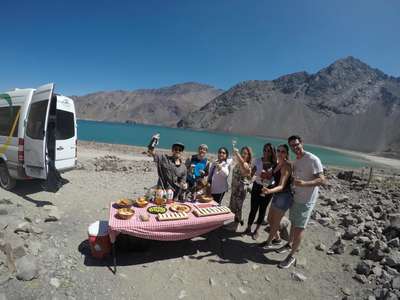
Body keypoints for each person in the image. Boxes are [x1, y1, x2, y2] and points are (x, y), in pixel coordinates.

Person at [277, 135, 326, 269]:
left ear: (301, 143)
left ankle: (292, 256)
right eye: (292, 146)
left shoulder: (313, 159)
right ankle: (289, 244)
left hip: (306, 201)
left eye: (296, 144)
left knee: (299, 228)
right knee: (293, 223)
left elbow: (322, 180)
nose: (295, 147)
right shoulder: (297, 161)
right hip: (296, 198)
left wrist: (305, 183)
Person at [258, 144, 293, 249]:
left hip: (284, 196)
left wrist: (269, 191)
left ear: (287, 153)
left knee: (276, 222)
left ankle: (268, 243)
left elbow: (282, 186)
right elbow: (272, 176)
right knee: (269, 219)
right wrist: (264, 175)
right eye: (278, 151)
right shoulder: (278, 163)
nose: (280, 153)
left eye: (283, 152)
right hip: (277, 194)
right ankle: (277, 239)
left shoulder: (286, 166)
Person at [243, 143, 277, 240]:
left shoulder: (275, 164)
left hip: (268, 188)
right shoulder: (257, 161)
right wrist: (248, 173)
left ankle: (257, 230)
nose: (266, 152)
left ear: (272, 152)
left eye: (268, 151)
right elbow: (251, 175)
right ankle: (248, 228)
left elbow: (278, 176)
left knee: (263, 209)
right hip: (257, 186)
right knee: (253, 208)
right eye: (265, 150)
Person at [228, 146, 252, 230]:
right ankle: (236, 221)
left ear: (249, 155)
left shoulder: (246, 164)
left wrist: (237, 154)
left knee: (238, 207)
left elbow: (244, 168)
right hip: (235, 188)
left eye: (245, 153)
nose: (243, 155)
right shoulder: (239, 163)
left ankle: (236, 225)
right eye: (242, 153)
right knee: (233, 206)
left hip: (240, 190)